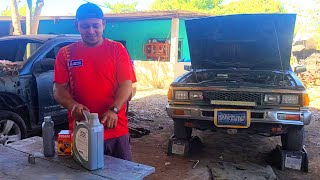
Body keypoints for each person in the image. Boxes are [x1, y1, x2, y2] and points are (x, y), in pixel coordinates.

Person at [53, 2, 136, 161]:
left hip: (115, 130)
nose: (91, 31)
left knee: (123, 174)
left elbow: (126, 84)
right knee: (83, 174)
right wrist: (72, 105)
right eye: (85, 26)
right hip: (82, 129)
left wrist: (115, 110)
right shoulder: (66, 54)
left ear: (103, 24)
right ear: (77, 25)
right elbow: (58, 88)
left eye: (95, 25)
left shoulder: (117, 49)